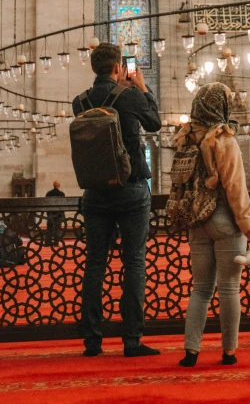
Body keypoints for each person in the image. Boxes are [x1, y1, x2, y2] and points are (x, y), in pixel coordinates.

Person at [72, 42, 161, 358]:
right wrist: (141, 86)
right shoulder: (130, 95)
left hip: (95, 192)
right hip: (131, 190)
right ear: (118, 67)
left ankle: (93, 342)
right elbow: (155, 123)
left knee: (95, 264)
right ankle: (132, 341)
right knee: (134, 261)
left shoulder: (79, 101)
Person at [176, 82, 250, 369]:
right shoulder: (222, 139)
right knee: (228, 289)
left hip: (197, 221)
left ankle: (191, 352)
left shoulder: (185, 137)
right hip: (224, 220)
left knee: (200, 289)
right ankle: (229, 352)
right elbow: (235, 186)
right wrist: (247, 222)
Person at [45, 180, 66, 246]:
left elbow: (46, 203)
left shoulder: (48, 193)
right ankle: (56, 243)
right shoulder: (61, 194)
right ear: (59, 186)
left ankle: (48, 242)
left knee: (49, 228)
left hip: (51, 213)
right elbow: (63, 204)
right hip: (58, 214)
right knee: (58, 228)